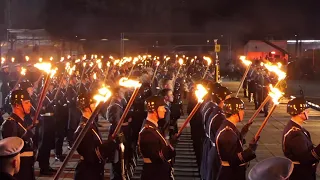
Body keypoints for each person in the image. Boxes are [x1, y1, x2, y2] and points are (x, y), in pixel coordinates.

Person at [74, 93, 117, 180]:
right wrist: (109, 145)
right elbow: (91, 155)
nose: (97, 106)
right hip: (87, 173)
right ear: (87, 108)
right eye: (94, 103)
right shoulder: (83, 129)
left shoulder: (91, 124)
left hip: (94, 169)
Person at [215, 97, 257, 180]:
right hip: (231, 174)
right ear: (234, 113)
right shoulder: (227, 132)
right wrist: (250, 150)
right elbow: (233, 159)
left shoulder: (229, 127)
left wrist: (242, 134)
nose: (243, 113)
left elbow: (235, 145)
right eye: (241, 110)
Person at [1, 90, 36, 180]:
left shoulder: (20, 122)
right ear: (17, 105)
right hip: (20, 171)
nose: (30, 105)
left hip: (27, 167)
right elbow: (11, 152)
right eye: (27, 103)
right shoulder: (10, 123)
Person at [138, 96, 176, 180]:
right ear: (154, 110)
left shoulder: (154, 128)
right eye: (162, 107)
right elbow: (157, 157)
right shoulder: (148, 132)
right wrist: (169, 149)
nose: (165, 110)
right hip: (154, 175)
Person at [282, 97, 320, 180]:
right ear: (299, 113)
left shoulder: (295, 127)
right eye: (306, 110)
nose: (308, 112)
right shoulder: (295, 134)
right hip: (300, 174)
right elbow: (306, 158)